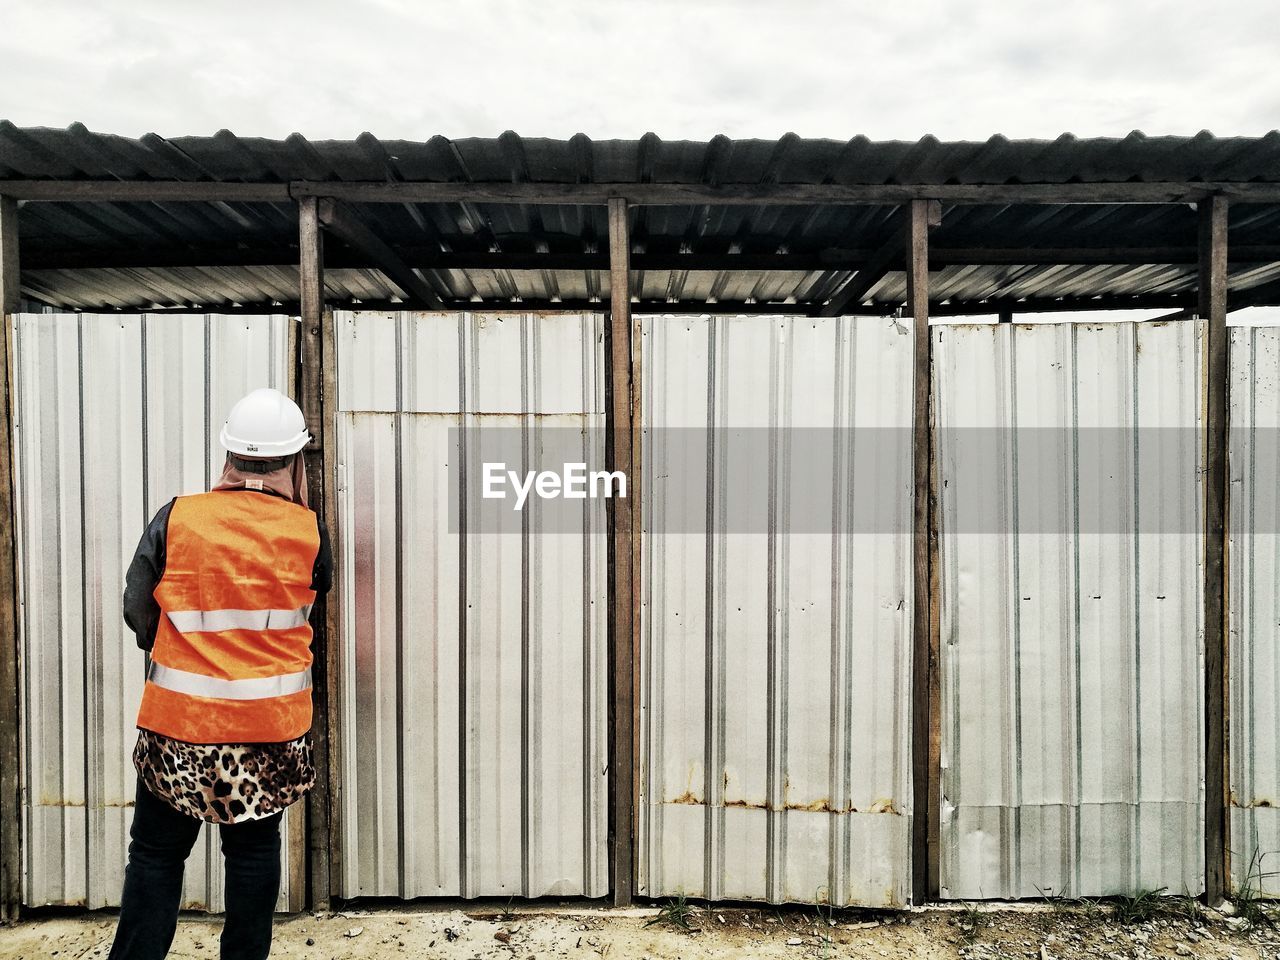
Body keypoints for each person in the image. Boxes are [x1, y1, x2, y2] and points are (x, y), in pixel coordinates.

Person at [108, 387, 332, 960]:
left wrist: (188, 657)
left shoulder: (178, 517)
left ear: (229, 454)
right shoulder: (307, 534)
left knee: (157, 855)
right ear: (294, 461)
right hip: (268, 732)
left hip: (177, 727)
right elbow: (310, 616)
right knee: (254, 855)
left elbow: (138, 606)